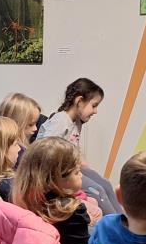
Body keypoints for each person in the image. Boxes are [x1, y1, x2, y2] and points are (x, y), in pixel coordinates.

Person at [36, 77, 122, 214]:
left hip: (71, 168)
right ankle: (118, 223)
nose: (95, 111)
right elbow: (43, 152)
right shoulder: (60, 121)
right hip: (59, 174)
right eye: (94, 105)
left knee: (105, 184)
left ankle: (124, 221)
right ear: (79, 101)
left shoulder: (76, 122)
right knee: (98, 191)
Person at [13, 137, 90, 244]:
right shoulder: (72, 211)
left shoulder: (22, 199)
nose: (81, 175)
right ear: (53, 180)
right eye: (76, 172)